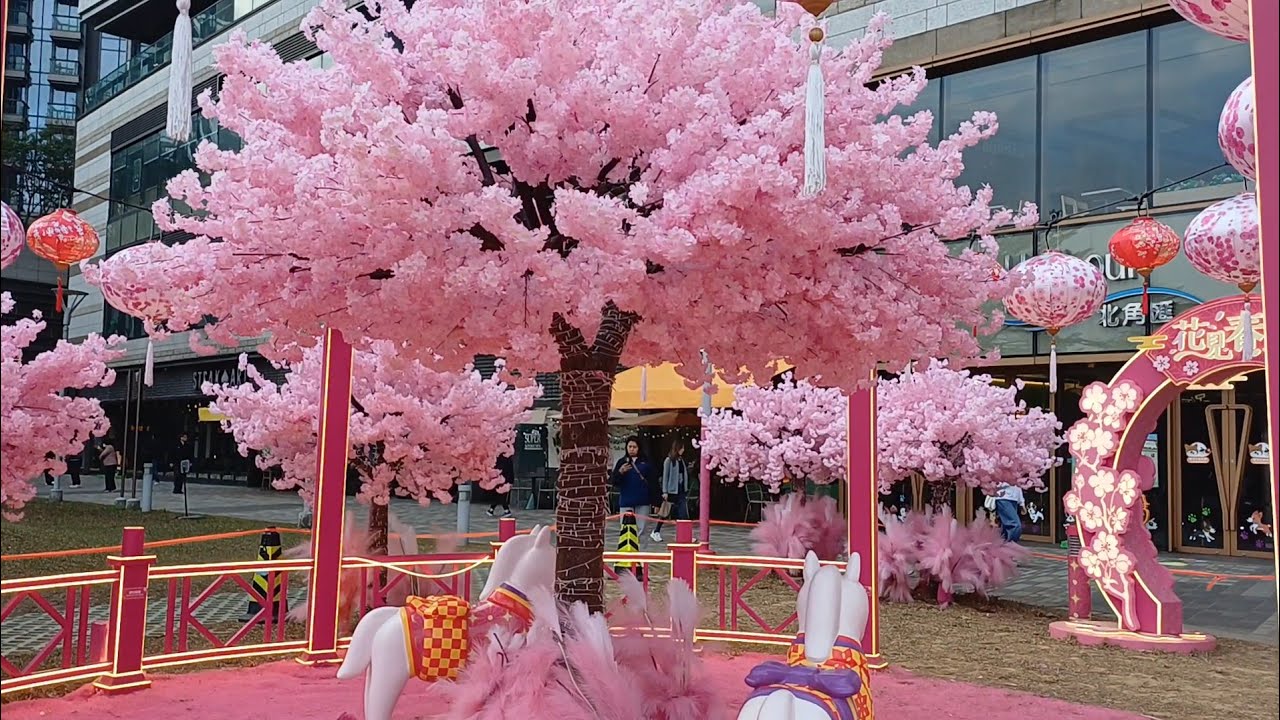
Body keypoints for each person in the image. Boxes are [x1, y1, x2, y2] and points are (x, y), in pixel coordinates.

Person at [611, 437, 653, 540]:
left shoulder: (646, 462)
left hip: (642, 500)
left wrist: (655, 500)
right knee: (625, 528)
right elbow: (614, 481)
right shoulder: (622, 462)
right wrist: (620, 472)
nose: (632, 449)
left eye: (634, 447)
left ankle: (642, 552)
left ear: (639, 448)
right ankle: (627, 551)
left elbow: (653, 481)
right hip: (626, 500)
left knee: (642, 528)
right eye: (630, 447)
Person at [650, 440, 690, 543]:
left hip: (680, 490)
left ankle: (684, 535)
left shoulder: (681, 460)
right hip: (671, 491)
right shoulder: (669, 460)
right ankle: (656, 531)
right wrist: (665, 491)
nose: (683, 450)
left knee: (683, 514)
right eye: (681, 448)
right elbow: (665, 476)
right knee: (664, 513)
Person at [488, 453, 515, 518]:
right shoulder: (506, 458)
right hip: (503, 479)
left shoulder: (501, 459)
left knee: (500, 495)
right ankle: (491, 509)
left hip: (501, 479)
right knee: (498, 494)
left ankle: (506, 510)